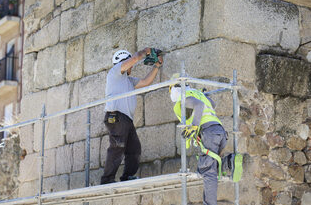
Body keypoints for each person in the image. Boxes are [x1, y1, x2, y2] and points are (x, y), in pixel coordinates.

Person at [169, 78, 243, 205]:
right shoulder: (197, 94)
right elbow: (212, 104)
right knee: (212, 165)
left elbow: (199, 105)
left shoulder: (185, 97)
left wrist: (194, 126)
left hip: (208, 133)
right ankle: (229, 162)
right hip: (219, 132)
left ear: (174, 89)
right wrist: (203, 95)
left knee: (208, 171)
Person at [101, 48, 163, 185]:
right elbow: (134, 58)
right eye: (129, 63)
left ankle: (127, 176)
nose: (132, 66)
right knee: (117, 146)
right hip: (116, 116)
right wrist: (146, 51)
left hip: (126, 120)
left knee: (134, 148)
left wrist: (157, 66)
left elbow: (145, 82)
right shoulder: (115, 72)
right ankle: (107, 180)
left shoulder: (128, 81)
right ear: (123, 62)